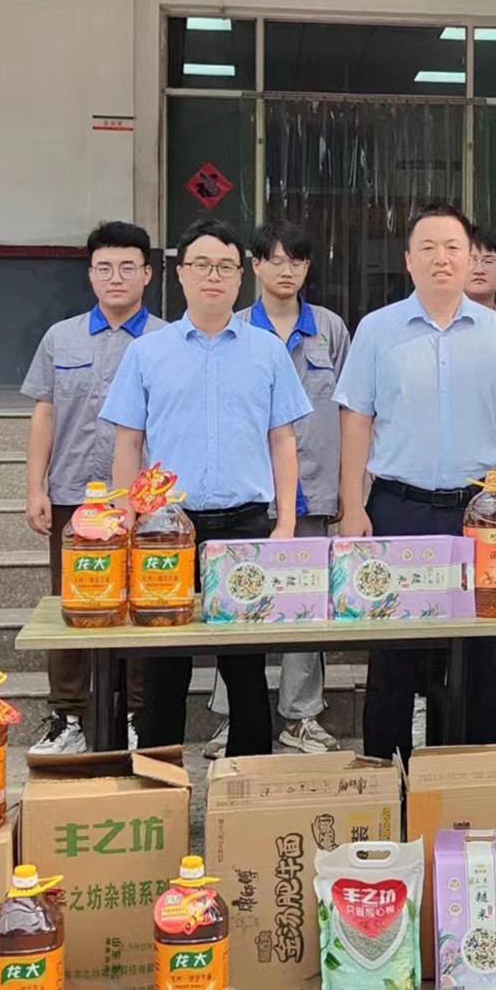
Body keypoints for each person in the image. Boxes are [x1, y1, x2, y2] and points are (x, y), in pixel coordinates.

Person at [337, 202, 496, 763]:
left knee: (477, 652)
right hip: (398, 508)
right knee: (394, 653)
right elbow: (356, 420)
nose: (441, 258)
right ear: (408, 260)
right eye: (427, 248)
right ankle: (388, 776)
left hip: (481, 515)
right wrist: (352, 505)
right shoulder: (377, 330)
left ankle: (466, 778)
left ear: (471, 259)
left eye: (453, 247)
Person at [101, 218, 311, 757]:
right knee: (163, 664)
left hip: (245, 526)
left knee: (244, 666)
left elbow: (283, 441)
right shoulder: (148, 352)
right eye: (201, 265)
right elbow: (128, 443)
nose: (213, 276)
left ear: (241, 275)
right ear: (180, 273)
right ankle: (159, 779)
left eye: (224, 266)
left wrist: (285, 523)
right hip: (165, 530)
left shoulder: (267, 351)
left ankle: (248, 779)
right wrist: (125, 519)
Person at [200, 220, 351, 757]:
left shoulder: (330, 329)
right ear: (256, 266)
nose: (287, 270)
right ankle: (233, 718)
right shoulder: (234, 327)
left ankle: (301, 716)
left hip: (314, 487)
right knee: (235, 604)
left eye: (298, 260)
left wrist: (350, 488)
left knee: (306, 603)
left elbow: (352, 410)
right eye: (276, 260)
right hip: (247, 492)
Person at [21, 221, 164, 758]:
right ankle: (67, 715)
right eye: (104, 267)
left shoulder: (168, 339)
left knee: (145, 606)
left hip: (147, 503)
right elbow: (44, 413)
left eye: (128, 267)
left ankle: (135, 714)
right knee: (73, 605)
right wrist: (35, 487)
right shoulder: (61, 338)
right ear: (90, 274)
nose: (115, 277)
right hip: (74, 496)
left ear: (147, 274)